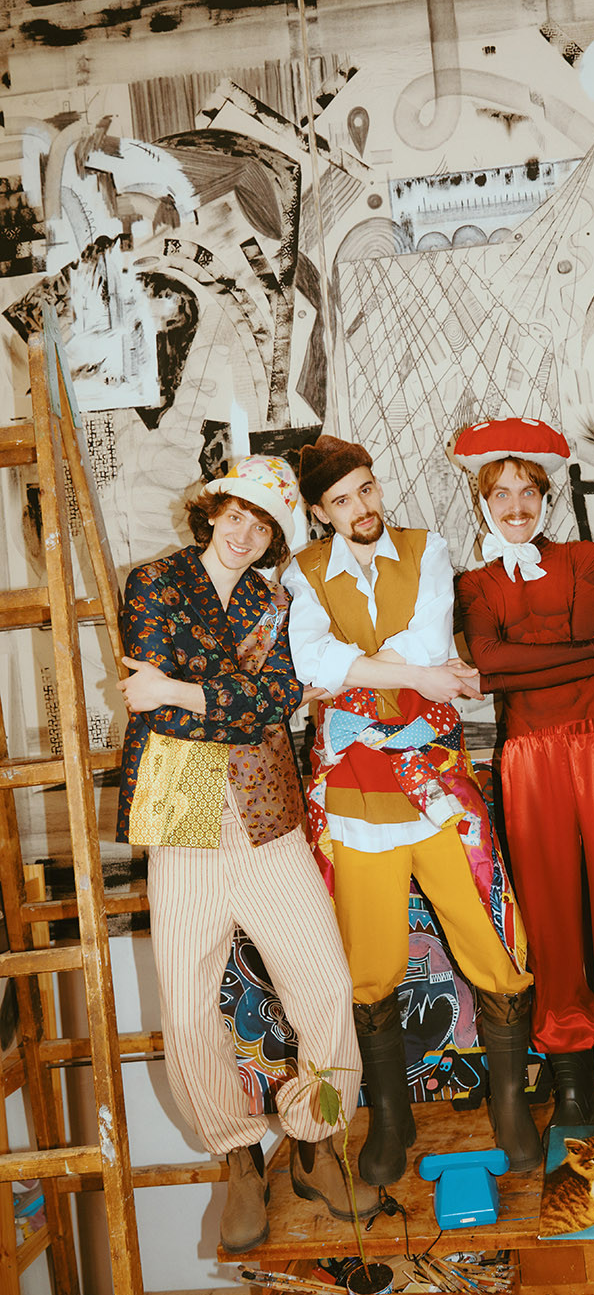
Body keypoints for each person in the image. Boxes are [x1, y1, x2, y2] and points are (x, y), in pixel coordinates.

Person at [116, 455, 375, 1253]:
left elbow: (277, 700)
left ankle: (316, 1142)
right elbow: (185, 702)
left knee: (326, 984)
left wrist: (179, 690)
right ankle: (237, 1155)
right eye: (235, 515)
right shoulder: (155, 582)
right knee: (186, 1002)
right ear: (212, 512)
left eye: (261, 525)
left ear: (272, 538)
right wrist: (226, 699)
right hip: (180, 794)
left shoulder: (276, 601)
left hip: (267, 805)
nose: (244, 533)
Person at [282, 435, 541, 1182]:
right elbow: (309, 662)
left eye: (366, 490)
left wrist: (358, 673)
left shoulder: (427, 550)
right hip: (353, 792)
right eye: (342, 501)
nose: (361, 508)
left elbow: (425, 643)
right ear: (320, 512)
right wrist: (409, 674)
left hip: (436, 784)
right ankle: (390, 1119)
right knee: (369, 966)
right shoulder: (302, 573)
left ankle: (510, 1105)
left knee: (493, 938)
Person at [452, 418, 594, 1158]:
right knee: (549, 913)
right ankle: (575, 1088)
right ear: (482, 501)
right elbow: (497, 663)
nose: (516, 506)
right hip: (530, 754)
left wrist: (516, 664)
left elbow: (518, 663)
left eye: (528, 491)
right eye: (501, 493)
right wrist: (589, 650)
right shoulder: (474, 583)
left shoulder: (585, 557)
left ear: (546, 496)